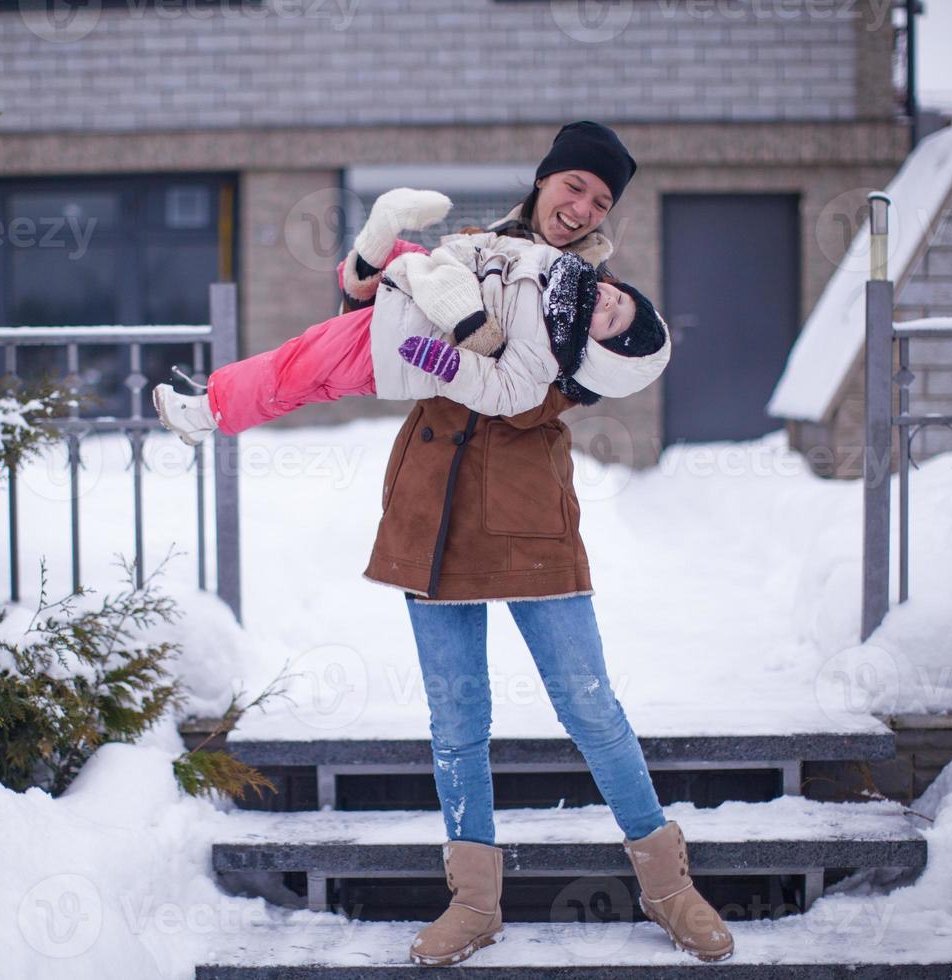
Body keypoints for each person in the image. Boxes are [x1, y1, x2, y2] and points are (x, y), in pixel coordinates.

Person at [352, 121, 735, 966]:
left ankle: (670, 888)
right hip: (432, 508)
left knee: (590, 707)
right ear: (544, 182)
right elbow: (372, 325)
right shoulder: (467, 252)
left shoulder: (588, 293)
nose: (582, 207)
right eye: (574, 187)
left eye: (600, 200)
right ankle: (474, 903)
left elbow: (535, 399)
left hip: (528, 513)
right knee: (457, 719)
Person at [150, 193, 669, 446]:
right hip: (424, 284)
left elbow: (496, 390)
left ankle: (208, 412)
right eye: (619, 300)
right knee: (379, 261)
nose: (607, 303)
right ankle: (381, 234)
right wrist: (462, 253)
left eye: (613, 324)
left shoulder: (543, 362)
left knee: (298, 367)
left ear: (600, 354)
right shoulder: (557, 268)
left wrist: (451, 355)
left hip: (402, 343)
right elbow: (495, 247)